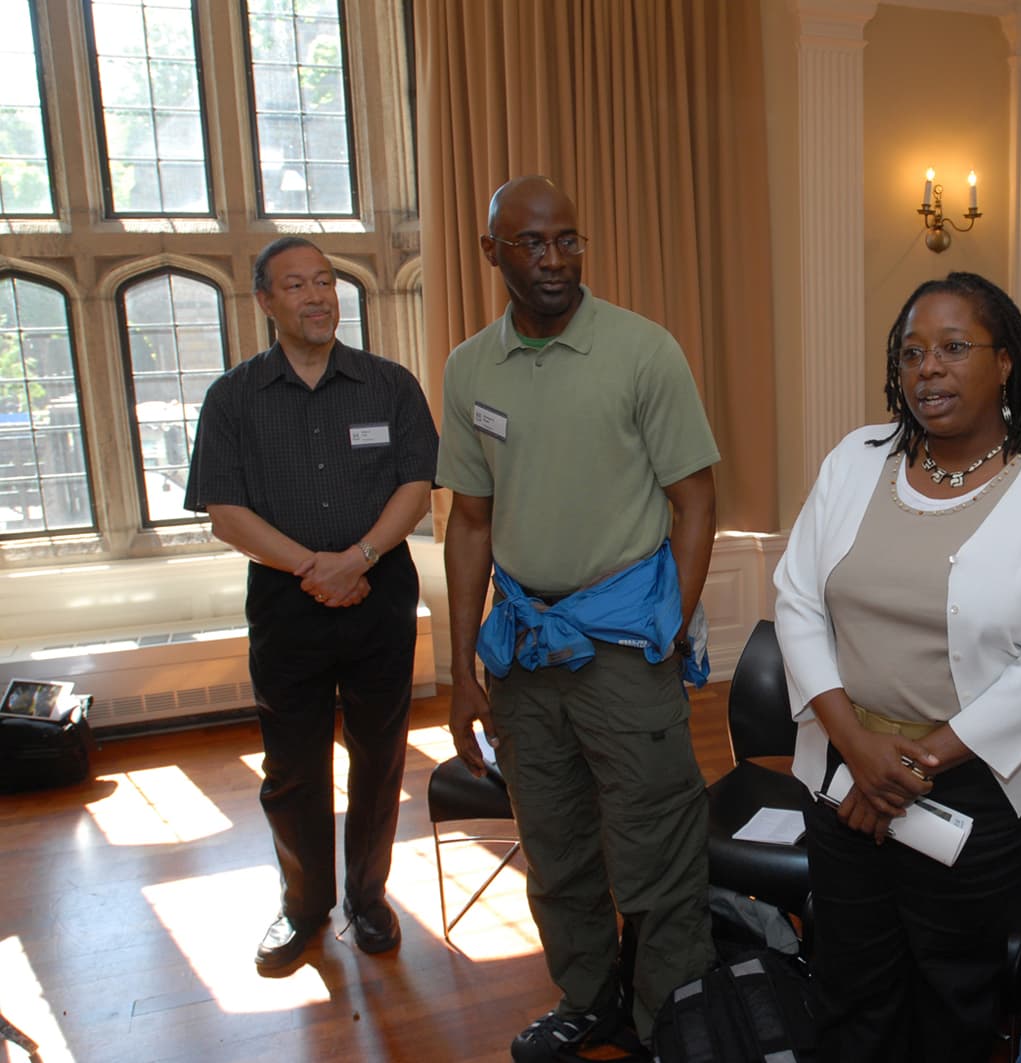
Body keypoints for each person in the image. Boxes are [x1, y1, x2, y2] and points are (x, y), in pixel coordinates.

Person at [773, 272, 1021, 1062]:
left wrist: (908, 767)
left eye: (955, 348)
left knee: (950, 995)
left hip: (976, 790)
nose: (929, 368)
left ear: (1006, 364)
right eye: (912, 352)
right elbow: (796, 599)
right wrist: (857, 749)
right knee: (851, 985)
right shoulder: (855, 459)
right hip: (842, 769)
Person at [437, 176, 719, 1059]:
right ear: (494, 253)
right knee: (554, 844)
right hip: (522, 647)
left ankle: (669, 1019)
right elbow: (470, 521)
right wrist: (459, 670)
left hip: (624, 640)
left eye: (568, 239)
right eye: (531, 243)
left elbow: (697, 501)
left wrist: (671, 627)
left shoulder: (642, 351)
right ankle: (589, 998)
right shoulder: (470, 366)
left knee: (657, 847)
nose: (554, 258)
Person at [184, 236, 438, 971]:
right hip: (286, 601)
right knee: (292, 766)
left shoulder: (389, 385)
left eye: (325, 281)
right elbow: (225, 512)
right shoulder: (232, 398)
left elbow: (416, 486)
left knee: (380, 754)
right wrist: (312, 568)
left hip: (378, 593)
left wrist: (356, 560)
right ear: (265, 302)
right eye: (296, 285)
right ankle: (303, 908)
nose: (317, 295)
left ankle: (368, 898)